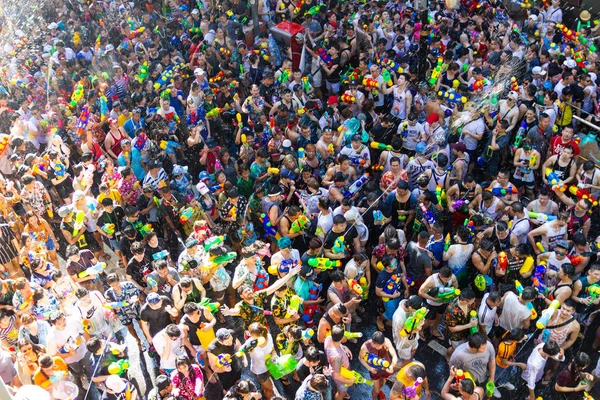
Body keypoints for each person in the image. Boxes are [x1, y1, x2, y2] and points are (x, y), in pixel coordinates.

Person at [358, 331, 397, 400]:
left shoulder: (386, 341)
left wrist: (391, 366)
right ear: (373, 342)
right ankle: (374, 397)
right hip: (374, 370)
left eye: (382, 345)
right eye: (378, 346)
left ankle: (380, 391)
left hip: (385, 367)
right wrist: (369, 368)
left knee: (383, 382)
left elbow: (394, 356)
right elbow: (360, 358)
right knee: (376, 389)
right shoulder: (365, 347)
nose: (380, 347)